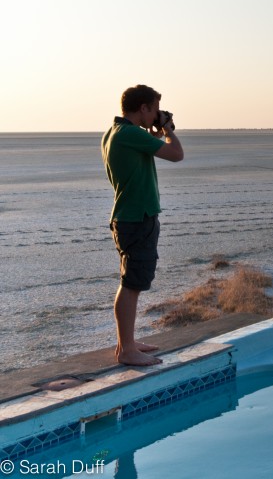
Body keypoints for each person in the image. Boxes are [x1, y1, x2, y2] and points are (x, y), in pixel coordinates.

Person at [101, 85, 184, 366]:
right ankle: (126, 351)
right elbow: (176, 154)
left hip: (127, 216)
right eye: (155, 109)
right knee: (131, 284)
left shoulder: (114, 133)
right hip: (136, 218)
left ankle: (128, 342)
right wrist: (169, 130)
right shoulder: (131, 134)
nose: (158, 114)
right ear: (144, 108)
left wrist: (154, 131)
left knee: (131, 281)